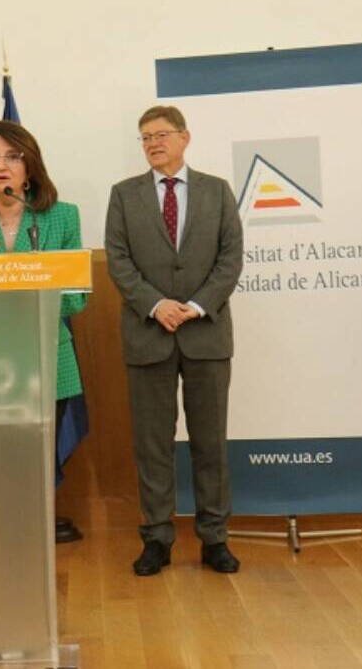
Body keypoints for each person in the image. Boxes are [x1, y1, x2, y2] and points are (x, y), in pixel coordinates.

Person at [104, 105, 243, 576]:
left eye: (161, 134)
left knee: (210, 444)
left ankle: (214, 538)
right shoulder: (123, 196)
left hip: (205, 333)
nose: (152, 143)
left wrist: (198, 305)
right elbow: (118, 261)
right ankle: (158, 538)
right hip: (148, 334)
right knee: (153, 445)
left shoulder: (218, 192)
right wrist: (155, 304)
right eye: (144, 137)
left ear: (185, 138)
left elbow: (230, 258)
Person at [0, 119, 88, 437]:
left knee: (38, 463)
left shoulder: (62, 216)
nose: (0, 165)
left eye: (12, 156)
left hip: (45, 357)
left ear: (30, 165)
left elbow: (77, 298)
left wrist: (37, 283)